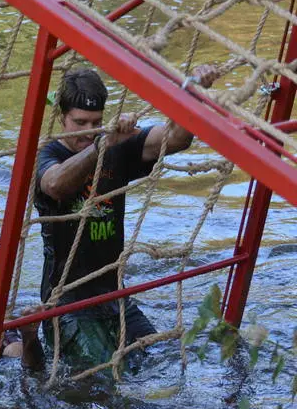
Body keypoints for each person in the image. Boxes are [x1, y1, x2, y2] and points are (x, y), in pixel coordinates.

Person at [34, 64, 221, 368]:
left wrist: (192, 95)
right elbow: (55, 185)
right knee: (107, 380)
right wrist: (99, 146)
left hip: (113, 296)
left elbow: (176, 138)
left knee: (163, 363)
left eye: (96, 122)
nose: (88, 131)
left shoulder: (116, 145)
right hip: (65, 305)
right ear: (61, 117)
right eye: (79, 122)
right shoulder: (48, 154)